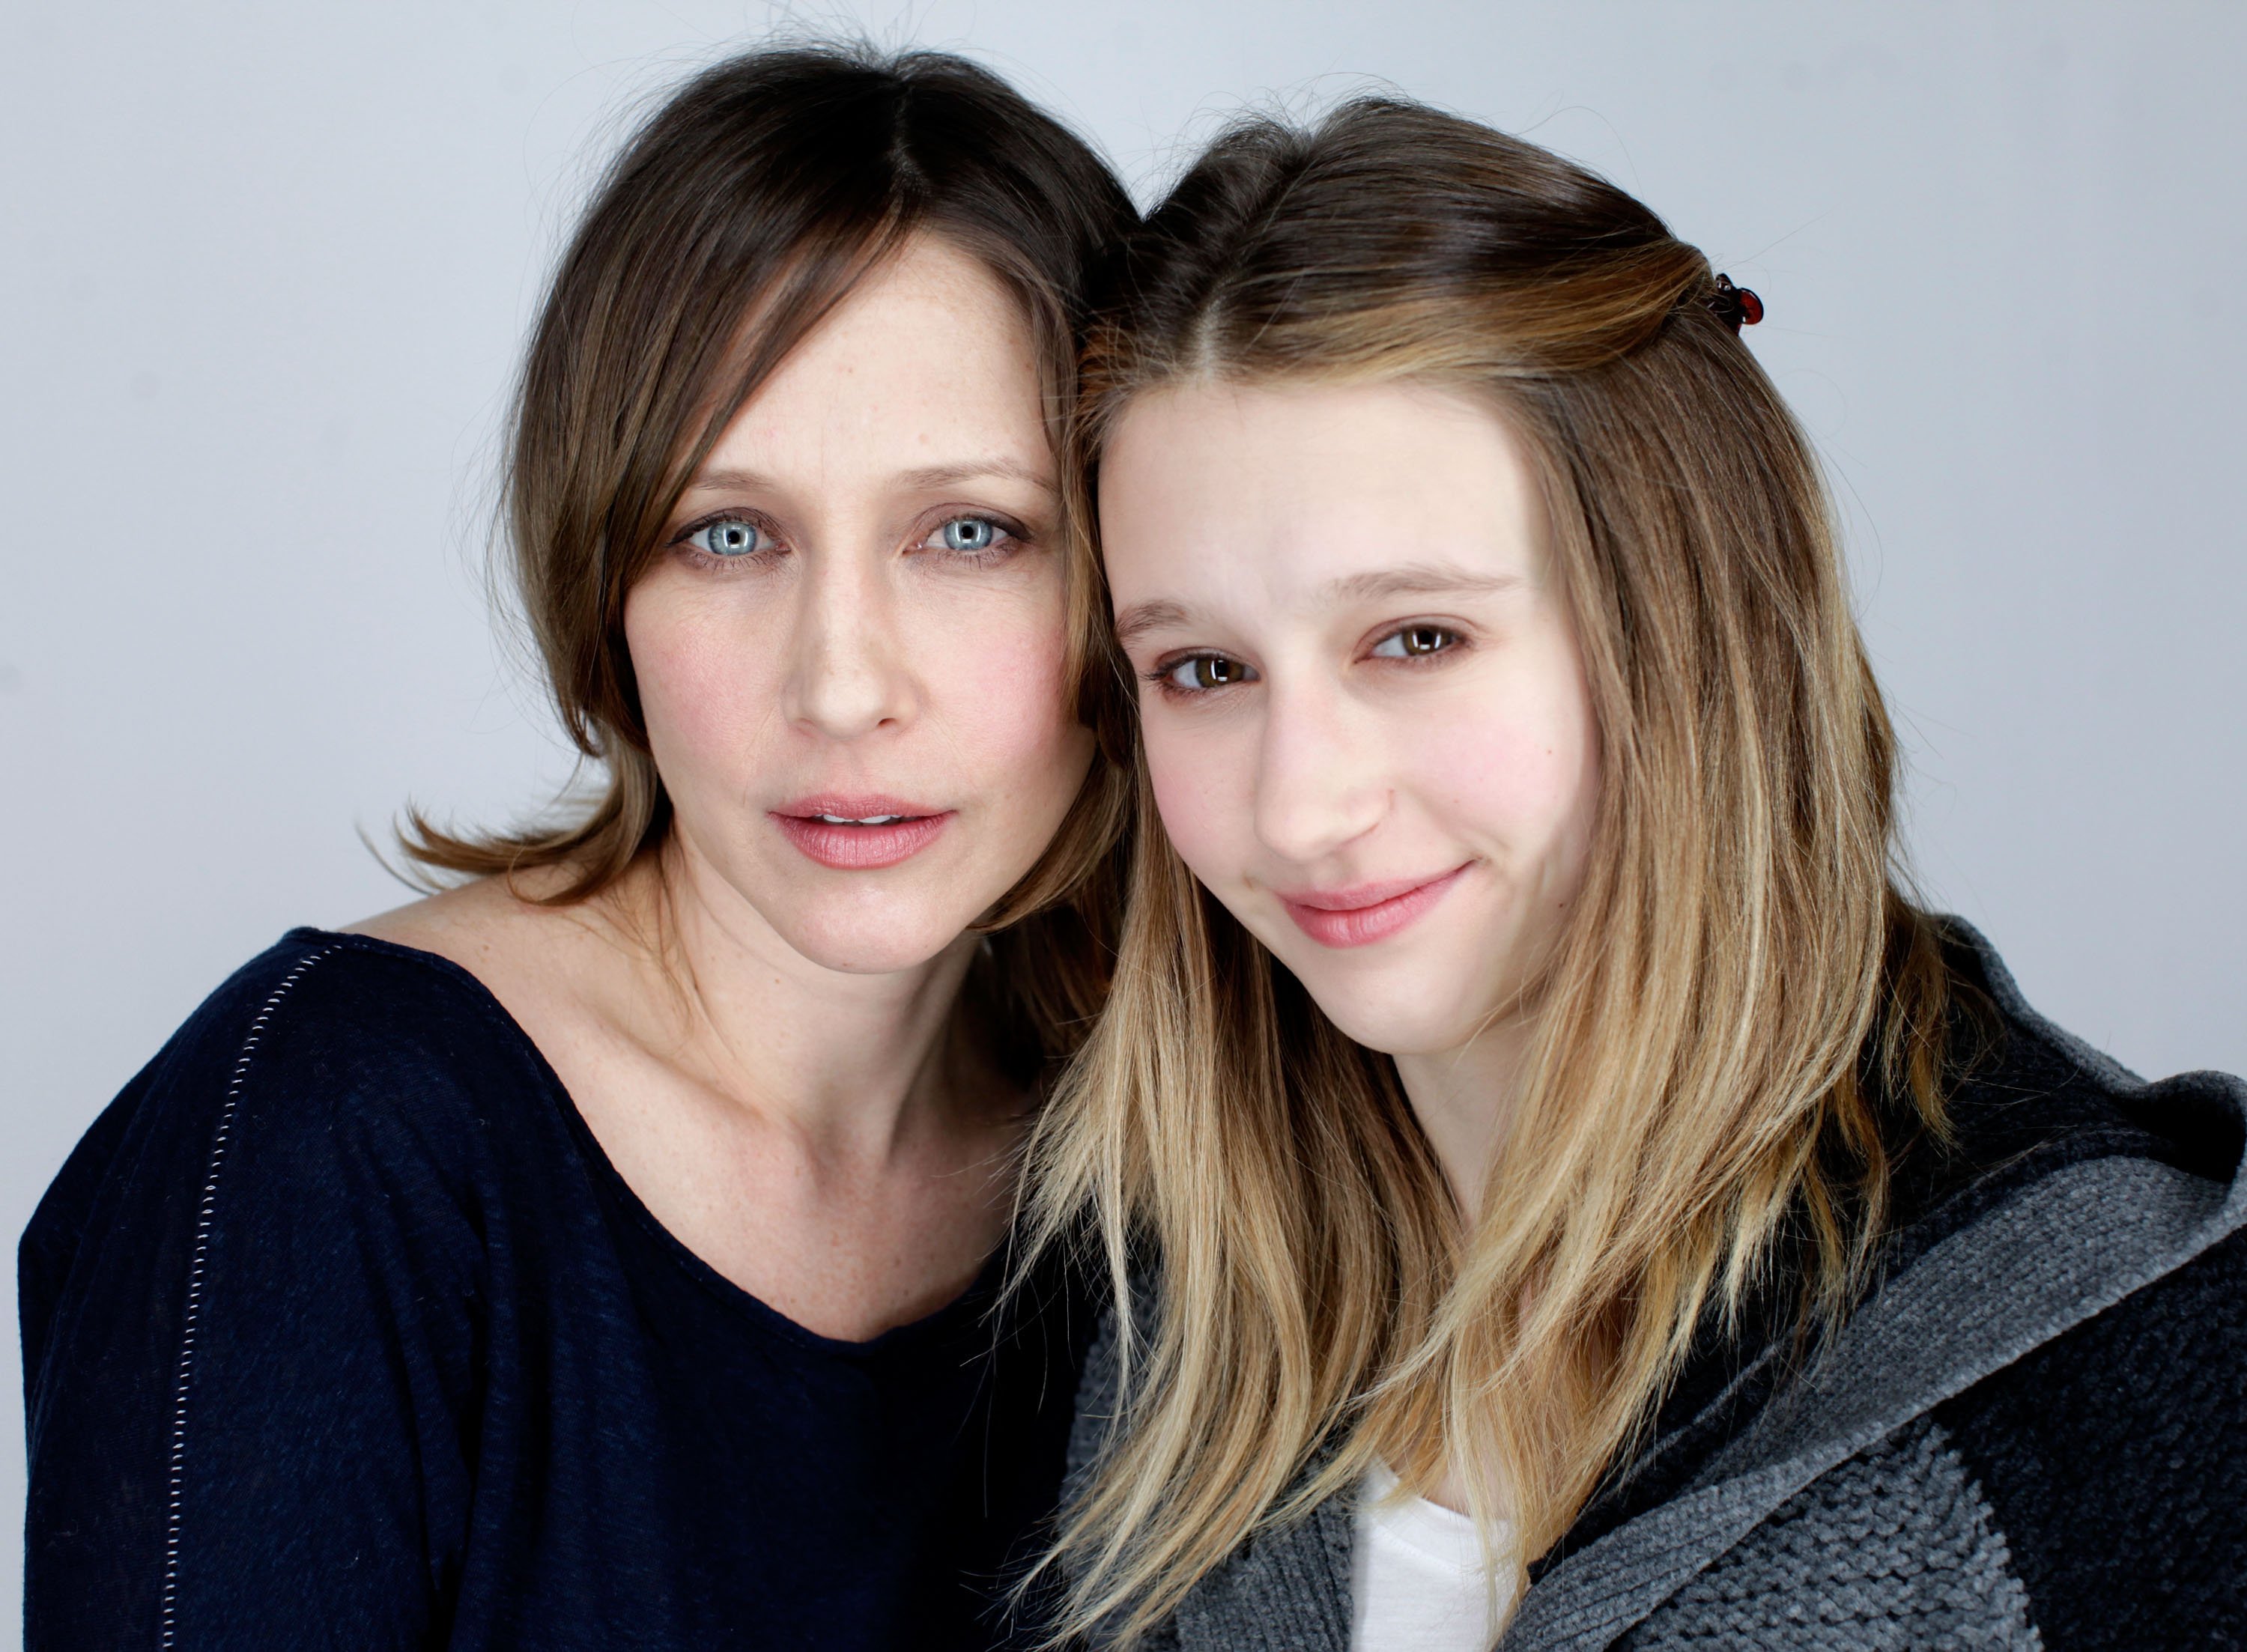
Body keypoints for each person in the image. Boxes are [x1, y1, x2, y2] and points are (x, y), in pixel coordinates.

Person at [1025, 97, 2246, 1649]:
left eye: (1416, 638)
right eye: (1202, 667)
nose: (1303, 804)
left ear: (1685, 631)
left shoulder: (2135, 1348)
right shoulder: (1163, 1339)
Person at [21, 45, 1136, 1651]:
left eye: (970, 532)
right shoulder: (324, 1131)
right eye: (726, 534)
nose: (842, 683)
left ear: (1124, 578)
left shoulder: (1151, 1168)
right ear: (603, 578)